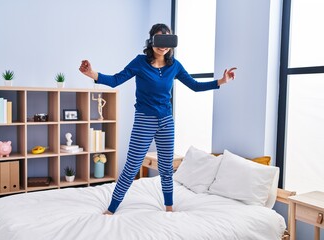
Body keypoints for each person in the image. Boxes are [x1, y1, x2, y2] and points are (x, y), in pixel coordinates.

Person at [79, 23, 236, 215]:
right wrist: (92, 74)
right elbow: (115, 80)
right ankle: (111, 209)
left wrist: (221, 81)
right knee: (132, 166)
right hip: (144, 120)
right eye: (160, 40)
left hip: (166, 121)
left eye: (167, 41)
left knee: (166, 168)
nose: (163, 46)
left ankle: (169, 208)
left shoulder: (174, 66)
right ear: (151, 40)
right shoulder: (139, 62)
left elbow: (194, 86)